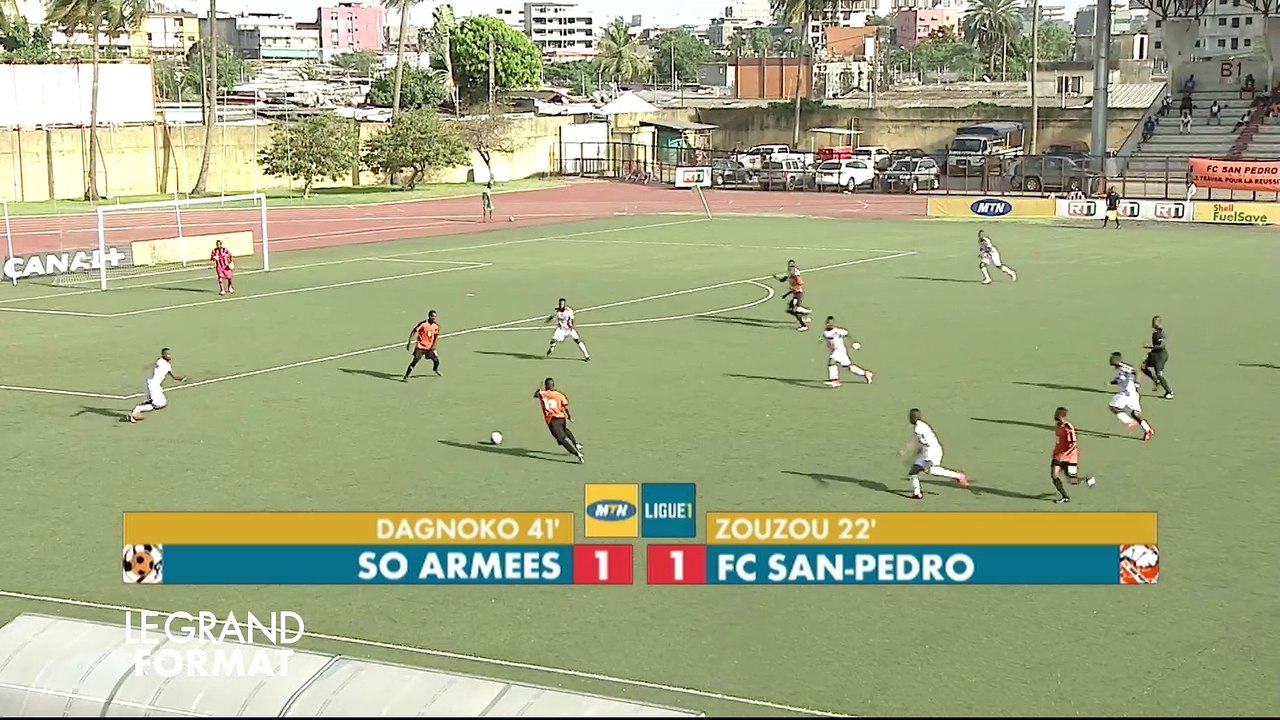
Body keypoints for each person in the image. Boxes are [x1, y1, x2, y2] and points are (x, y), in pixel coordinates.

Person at [900, 408, 968, 500]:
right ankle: (917, 493)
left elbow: (914, 440)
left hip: (933, 451)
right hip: (926, 451)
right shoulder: (921, 425)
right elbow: (921, 441)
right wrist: (919, 450)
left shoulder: (918, 427)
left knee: (931, 470)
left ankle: (959, 476)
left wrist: (905, 450)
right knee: (913, 472)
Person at [128, 348, 186, 423]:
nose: (169, 355)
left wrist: (182, 378)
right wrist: (151, 365)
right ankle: (135, 412)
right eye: (167, 354)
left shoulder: (167, 365)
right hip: (153, 386)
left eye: (169, 354)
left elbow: (173, 376)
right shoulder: (160, 361)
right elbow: (156, 363)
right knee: (160, 404)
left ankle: (136, 411)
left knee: (153, 403)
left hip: (153, 385)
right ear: (162, 355)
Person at [1050, 407, 1094, 504]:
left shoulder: (1069, 428)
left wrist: (1065, 454)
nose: (1057, 418)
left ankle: (1086, 479)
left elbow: (1073, 444)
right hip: (1058, 456)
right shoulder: (1057, 425)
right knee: (1054, 475)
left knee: (1072, 481)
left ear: (1064, 417)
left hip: (1070, 458)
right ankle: (1064, 496)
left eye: (1059, 416)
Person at [534, 378, 584, 462]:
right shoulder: (560, 395)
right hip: (561, 418)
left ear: (546, 386)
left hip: (552, 420)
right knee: (564, 430)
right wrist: (569, 416)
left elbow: (535, 395)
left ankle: (577, 454)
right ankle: (575, 444)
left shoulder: (542, 394)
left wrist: (539, 389)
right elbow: (565, 407)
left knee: (561, 439)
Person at [1109, 352, 1154, 441]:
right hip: (1132, 394)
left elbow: (1136, 372)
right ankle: (1148, 430)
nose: (1110, 360)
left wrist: (1137, 384)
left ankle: (1128, 421)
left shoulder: (1124, 367)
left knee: (1113, 406)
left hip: (1127, 393)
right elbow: (1120, 379)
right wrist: (1113, 382)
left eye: (1112, 359)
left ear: (1117, 360)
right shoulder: (1117, 369)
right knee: (1135, 414)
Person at [820, 316, 873, 387]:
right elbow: (826, 339)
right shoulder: (825, 332)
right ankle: (865, 373)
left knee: (831, 361)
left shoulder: (837, 331)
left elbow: (847, 334)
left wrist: (853, 342)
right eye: (828, 323)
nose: (830, 324)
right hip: (835, 351)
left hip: (840, 350)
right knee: (848, 367)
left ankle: (834, 380)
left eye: (831, 323)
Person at [1140, 315, 1173, 399]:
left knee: (1160, 374)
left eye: (1154, 322)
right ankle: (1155, 380)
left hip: (1160, 356)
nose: (1153, 324)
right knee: (1143, 366)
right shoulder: (1155, 332)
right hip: (1154, 355)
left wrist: (1149, 347)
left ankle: (1169, 392)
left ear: (1159, 323)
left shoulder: (1161, 333)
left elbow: (1162, 346)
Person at [403, 310, 441, 380]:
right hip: (420, 346)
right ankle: (406, 375)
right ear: (429, 316)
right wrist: (409, 342)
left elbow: (436, 336)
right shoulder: (423, 324)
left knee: (436, 360)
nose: (434, 318)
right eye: (432, 316)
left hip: (429, 347)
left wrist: (434, 346)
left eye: (435, 317)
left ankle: (435, 370)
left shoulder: (436, 326)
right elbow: (414, 331)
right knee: (415, 360)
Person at [776, 260, 811, 331]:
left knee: (794, 310)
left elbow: (800, 284)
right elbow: (784, 279)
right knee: (790, 310)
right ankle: (804, 314)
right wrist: (777, 278)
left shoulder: (796, 275)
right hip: (795, 294)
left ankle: (804, 325)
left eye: (792, 266)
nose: (791, 267)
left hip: (798, 294)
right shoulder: (789, 273)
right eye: (790, 265)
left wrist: (792, 289)